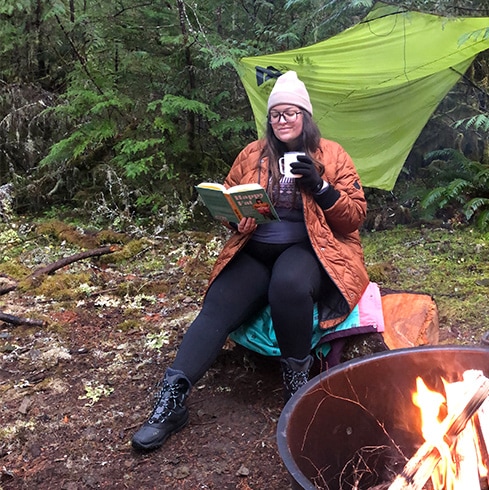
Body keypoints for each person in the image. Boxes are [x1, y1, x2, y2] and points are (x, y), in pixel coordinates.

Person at [131, 71, 370, 452]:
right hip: (255, 245)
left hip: (313, 247)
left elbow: (354, 217)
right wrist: (233, 216)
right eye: (276, 115)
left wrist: (320, 187)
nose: (282, 121)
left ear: (305, 116)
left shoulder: (331, 154)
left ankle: (297, 382)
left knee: (288, 284)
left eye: (290, 113)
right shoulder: (253, 153)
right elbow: (229, 195)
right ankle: (172, 399)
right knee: (217, 306)